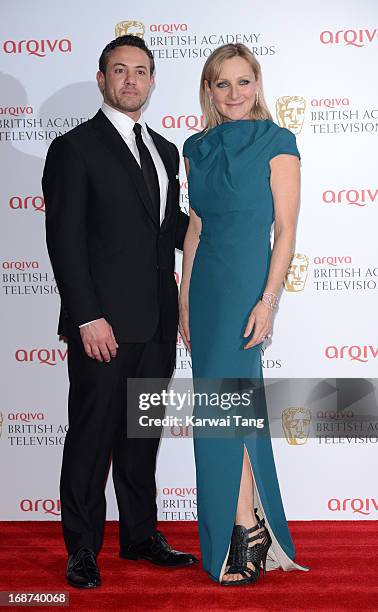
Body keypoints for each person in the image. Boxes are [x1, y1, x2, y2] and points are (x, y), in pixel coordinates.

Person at [42, 34, 197, 589]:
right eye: (119, 70)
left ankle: (138, 537)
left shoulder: (165, 149)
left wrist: (221, 219)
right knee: (90, 436)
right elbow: (65, 240)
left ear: (153, 81)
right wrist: (86, 316)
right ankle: (82, 549)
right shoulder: (74, 147)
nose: (131, 80)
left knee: (140, 437)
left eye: (141, 71)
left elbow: (168, 230)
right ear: (103, 79)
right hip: (102, 325)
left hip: (156, 320)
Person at [179, 43, 308, 585]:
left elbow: (286, 230)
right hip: (206, 291)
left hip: (245, 292)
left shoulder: (279, 142)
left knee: (229, 409)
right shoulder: (196, 146)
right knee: (219, 412)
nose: (233, 93)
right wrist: (183, 300)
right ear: (209, 90)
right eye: (222, 83)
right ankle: (245, 522)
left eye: (243, 81)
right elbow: (196, 227)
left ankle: (245, 526)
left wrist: (269, 300)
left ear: (258, 83)